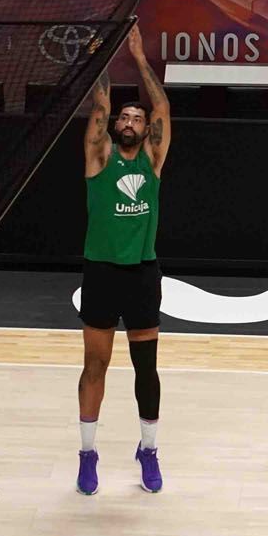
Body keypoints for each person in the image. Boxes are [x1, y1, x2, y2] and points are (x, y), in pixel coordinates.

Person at [76, 25, 169, 496]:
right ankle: (88, 454)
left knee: (145, 368)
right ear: (115, 126)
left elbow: (162, 108)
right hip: (101, 272)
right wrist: (108, 54)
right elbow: (100, 105)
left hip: (141, 273)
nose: (132, 120)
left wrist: (137, 52)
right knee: (96, 366)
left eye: (138, 116)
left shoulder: (151, 159)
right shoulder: (99, 158)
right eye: (125, 116)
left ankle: (148, 450)